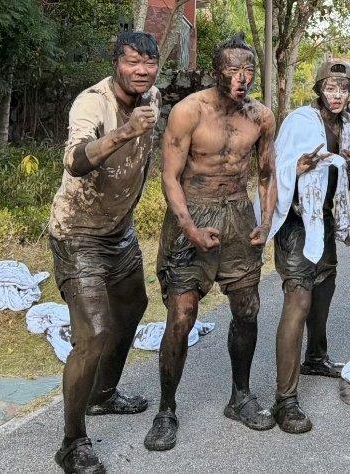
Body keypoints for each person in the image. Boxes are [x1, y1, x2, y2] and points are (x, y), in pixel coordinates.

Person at [144, 34, 277, 450]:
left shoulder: (261, 117)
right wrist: (190, 229)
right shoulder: (188, 111)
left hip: (238, 215)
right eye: (233, 70)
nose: (242, 78)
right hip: (193, 213)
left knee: (247, 310)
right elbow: (169, 177)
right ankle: (166, 410)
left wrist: (266, 221)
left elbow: (266, 174)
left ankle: (240, 397)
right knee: (181, 315)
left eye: (248, 70)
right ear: (216, 72)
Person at [47, 31, 160, 473]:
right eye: (133, 62)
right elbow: (75, 161)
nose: (142, 71)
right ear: (116, 62)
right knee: (93, 334)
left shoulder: (153, 99)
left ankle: (104, 394)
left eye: (149, 63)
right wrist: (126, 132)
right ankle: (71, 442)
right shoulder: (92, 103)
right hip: (77, 232)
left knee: (132, 306)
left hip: (119, 232)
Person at [268, 60, 350, 433]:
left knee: (324, 290)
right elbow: (272, 169)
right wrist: (296, 167)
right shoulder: (300, 121)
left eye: (343, 89)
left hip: (324, 221)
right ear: (320, 89)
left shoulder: (349, 125)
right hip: (295, 222)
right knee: (299, 301)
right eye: (331, 88)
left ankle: (316, 357)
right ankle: (285, 400)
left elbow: (349, 184)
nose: (337, 95)